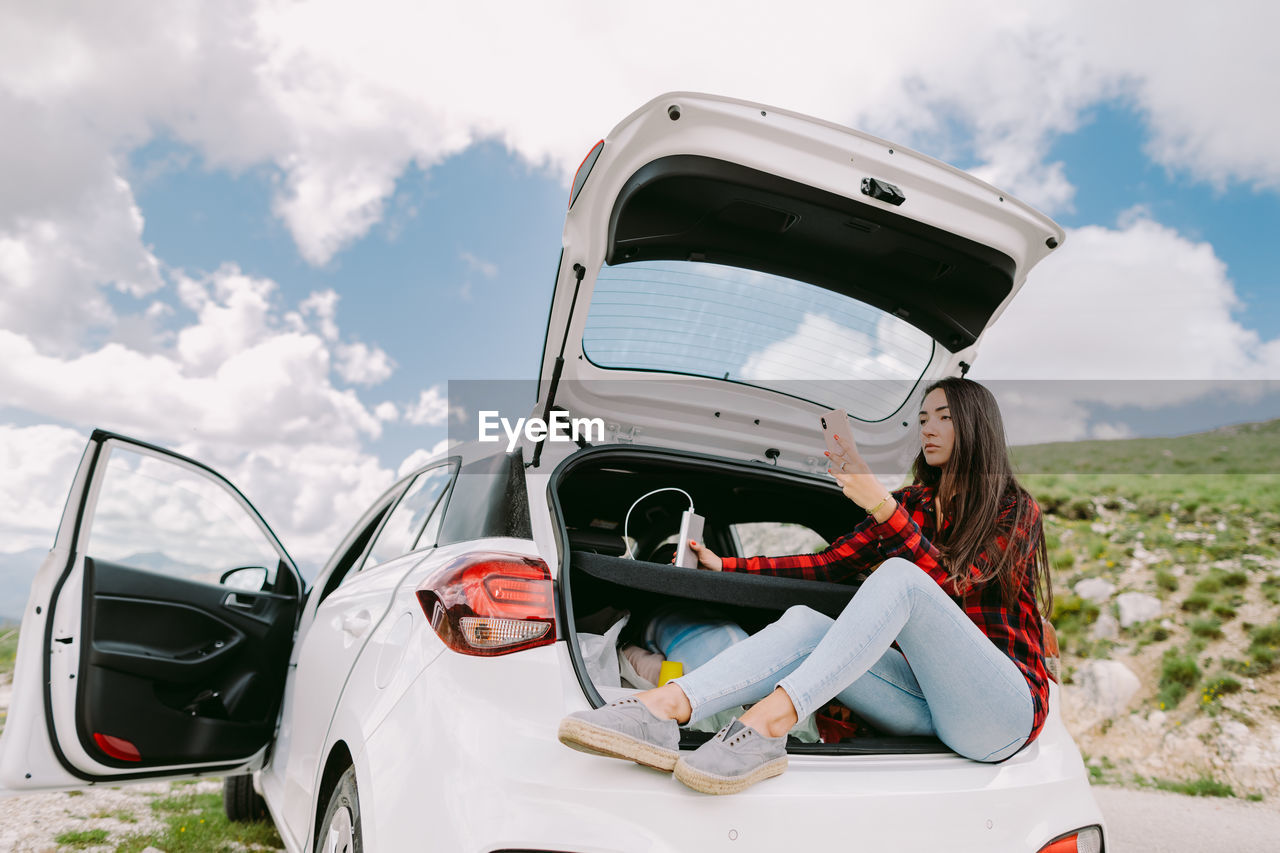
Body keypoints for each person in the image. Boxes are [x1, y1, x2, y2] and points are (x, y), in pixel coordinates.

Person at [557, 377, 1053, 795]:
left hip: (1000, 713)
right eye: (923, 417)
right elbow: (826, 565)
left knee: (902, 576)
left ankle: (768, 723)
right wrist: (725, 565)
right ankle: (664, 710)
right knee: (804, 623)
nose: (928, 427)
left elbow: (953, 582)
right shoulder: (913, 503)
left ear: (976, 425)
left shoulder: (1012, 508)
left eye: (943, 416)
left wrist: (881, 505)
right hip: (927, 709)